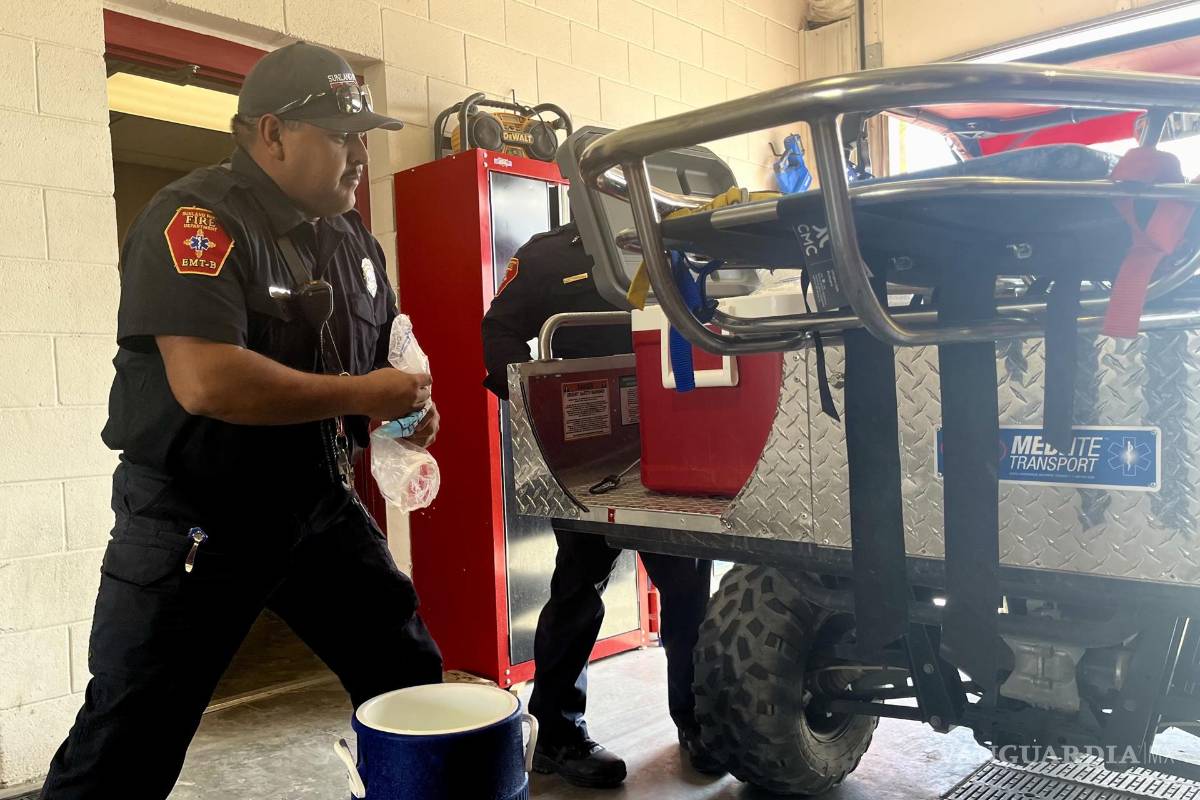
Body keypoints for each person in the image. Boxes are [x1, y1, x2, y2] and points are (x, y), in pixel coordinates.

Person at [40, 42, 443, 799]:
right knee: (127, 743)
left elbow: (377, 365)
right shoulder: (198, 219)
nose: (361, 156)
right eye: (342, 137)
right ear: (272, 134)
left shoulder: (352, 239)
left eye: (363, 137)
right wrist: (365, 394)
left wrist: (404, 417)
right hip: (195, 518)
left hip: (315, 505)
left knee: (406, 679)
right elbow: (208, 382)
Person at [481, 221, 724, 788]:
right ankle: (557, 736)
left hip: (676, 438)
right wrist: (534, 399)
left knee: (688, 589)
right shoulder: (546, 256)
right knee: (576, 589)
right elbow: (499, 331)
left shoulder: (681, 241)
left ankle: (700, 722)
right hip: (589, 452)